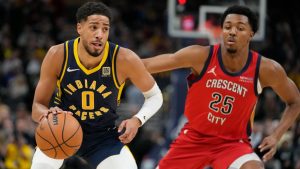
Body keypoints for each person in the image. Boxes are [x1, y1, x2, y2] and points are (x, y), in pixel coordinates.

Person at [143, 5, 300, 169]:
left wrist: (276, 136)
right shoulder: (201, 55)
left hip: (233, 144)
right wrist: (120, 63)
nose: (232, 31)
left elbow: (295, 101)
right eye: (227, 27)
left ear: (251, 34)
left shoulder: (266, 69)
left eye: (240, 28)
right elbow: (149, 64)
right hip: (194, 139)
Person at [30, 2, 163, 169]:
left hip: (103, 137)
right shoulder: (58, 55)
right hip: (59, 130)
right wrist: (47, 114)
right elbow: (36, 108)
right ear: (79, 28)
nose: (100, 34)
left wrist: (137, 120)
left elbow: (155, 95)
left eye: (105, 29)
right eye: (93, 27)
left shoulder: (123, 58)